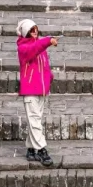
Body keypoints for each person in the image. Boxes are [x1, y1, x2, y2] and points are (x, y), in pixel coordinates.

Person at [16, 18, 58, 165]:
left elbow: (45, 65)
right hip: (30, 90)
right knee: (34, 120)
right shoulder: (23, 48)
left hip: (41, 90)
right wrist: (48, 41)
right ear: (25, 32)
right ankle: (41, 150)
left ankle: (30, 149)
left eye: (36, 29)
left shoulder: (39, 46)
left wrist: (49, 79)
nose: (35, 32)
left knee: (35, 120)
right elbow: (34, 50)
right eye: (31, 29)